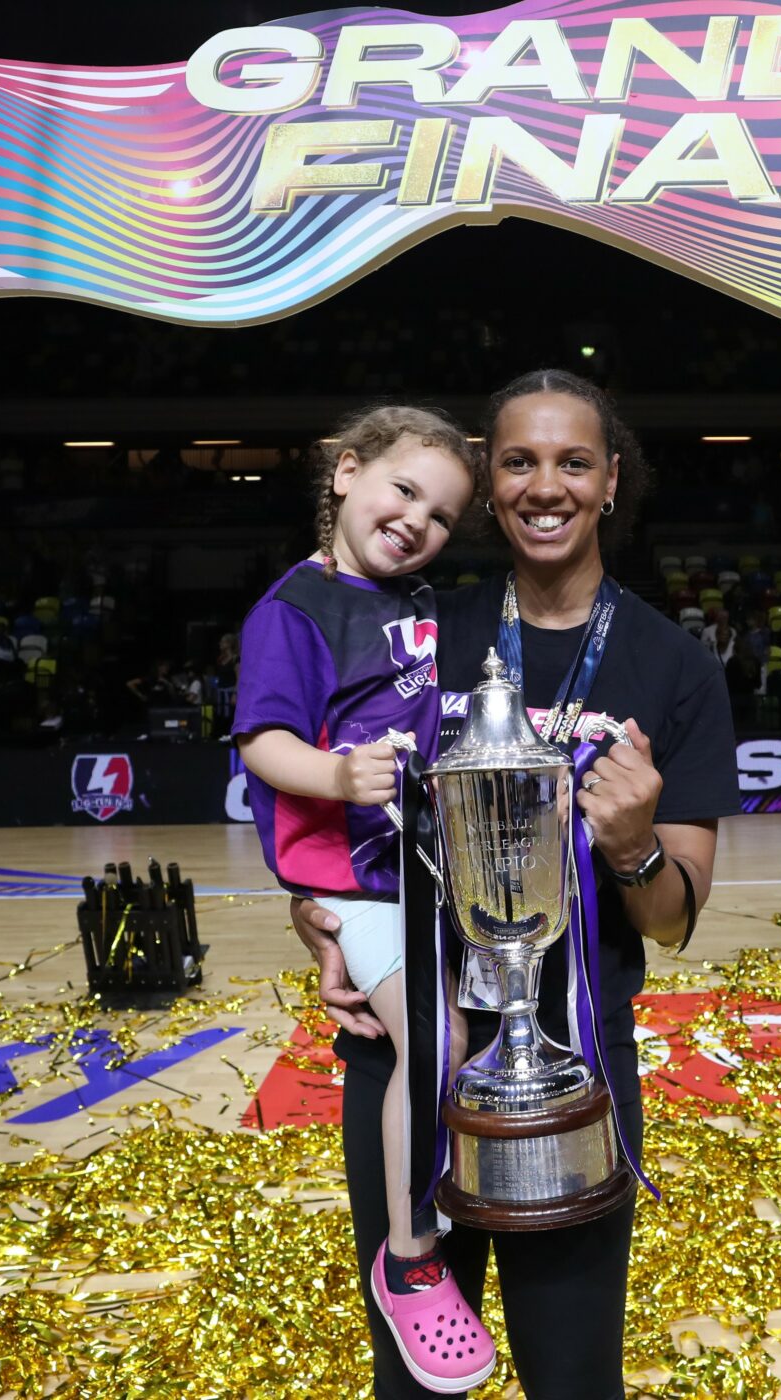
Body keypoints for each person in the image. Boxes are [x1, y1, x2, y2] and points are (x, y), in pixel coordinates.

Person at [292, 370, 737, 1399]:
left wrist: (630, 845)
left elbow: (672, 920)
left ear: (611, 480)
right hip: (413, 1054)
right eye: (520, 461)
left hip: (574, 1064)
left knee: (573, 1376)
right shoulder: (412, 632)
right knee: (413, 1382)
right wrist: (321, 923)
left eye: (573, 461)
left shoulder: (672, 665)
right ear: (489, 486)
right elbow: (331, 810)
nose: (548, 485)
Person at [233, 406, 494, 1394]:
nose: (418, 519)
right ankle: (412, 1255)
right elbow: (263, 739)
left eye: (441, 513)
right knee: (436, 1038)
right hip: (354, 882)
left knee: (457, 1034)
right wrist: (339, 780)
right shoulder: (294, 608)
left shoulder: (418, 600)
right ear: (345, 472)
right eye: (403, 489)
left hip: (426, 875)